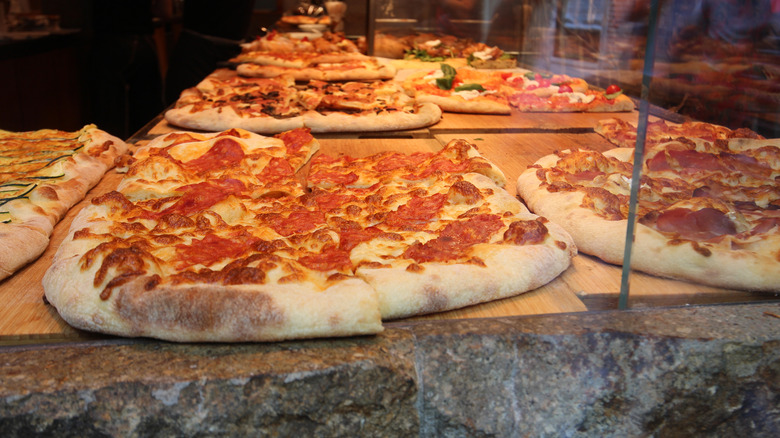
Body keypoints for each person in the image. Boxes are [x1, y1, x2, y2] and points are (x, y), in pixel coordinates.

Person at [164, 0, 255, 105]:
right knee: (180, 104)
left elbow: (164, 11)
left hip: (229, 48)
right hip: (197, 47)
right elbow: (165, 11)